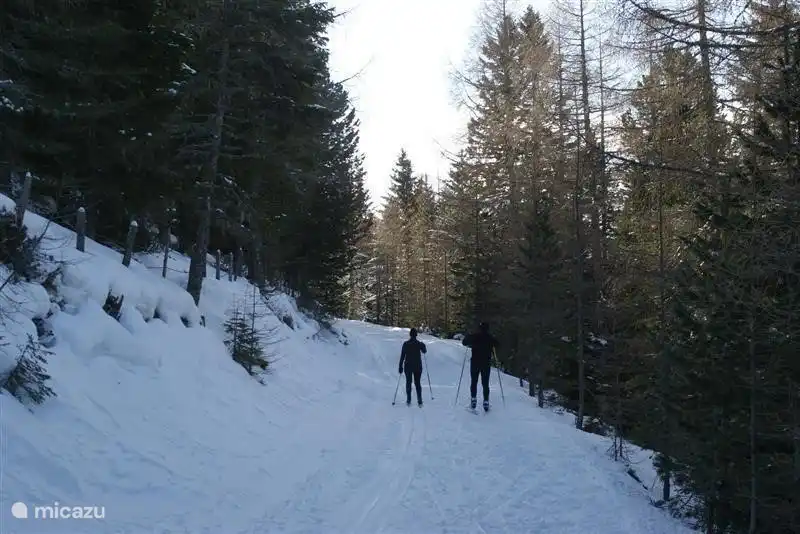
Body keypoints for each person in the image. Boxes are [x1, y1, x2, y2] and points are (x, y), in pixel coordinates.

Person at [462, 321, 499, 411]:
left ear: (480, 328)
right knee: (485, 383)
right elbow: (498, 344)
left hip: (475, 362)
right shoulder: (490, 338)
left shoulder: (475, 336)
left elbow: (464, 342)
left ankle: (473, 399)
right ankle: (486, 401)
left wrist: (468, 336)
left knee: (474, 381)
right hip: (486, 363)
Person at [399, 328, 426, 406]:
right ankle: (420, 400)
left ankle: (408, 400)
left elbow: (402, 356)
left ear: (410, 335)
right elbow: (424, 351)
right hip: (418, 366)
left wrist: (400, 366)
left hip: (408, 366)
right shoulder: (419, 344)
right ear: (416, 335)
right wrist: (423, 345)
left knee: (408, 382)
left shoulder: (406, 344)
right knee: (417, 383)